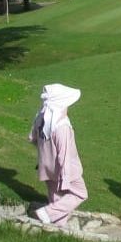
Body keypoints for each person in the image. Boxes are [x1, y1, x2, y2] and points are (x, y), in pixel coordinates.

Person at [28, 83, 88, 227]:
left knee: (57, 199)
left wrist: (45, 155)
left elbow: (32, 138)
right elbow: (64, 155)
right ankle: (47, 213)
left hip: (47, 168)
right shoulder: (62, 126)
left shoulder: (41, 118)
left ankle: (57, 228)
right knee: (80, 193)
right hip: (65, 170)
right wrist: (65, 178)